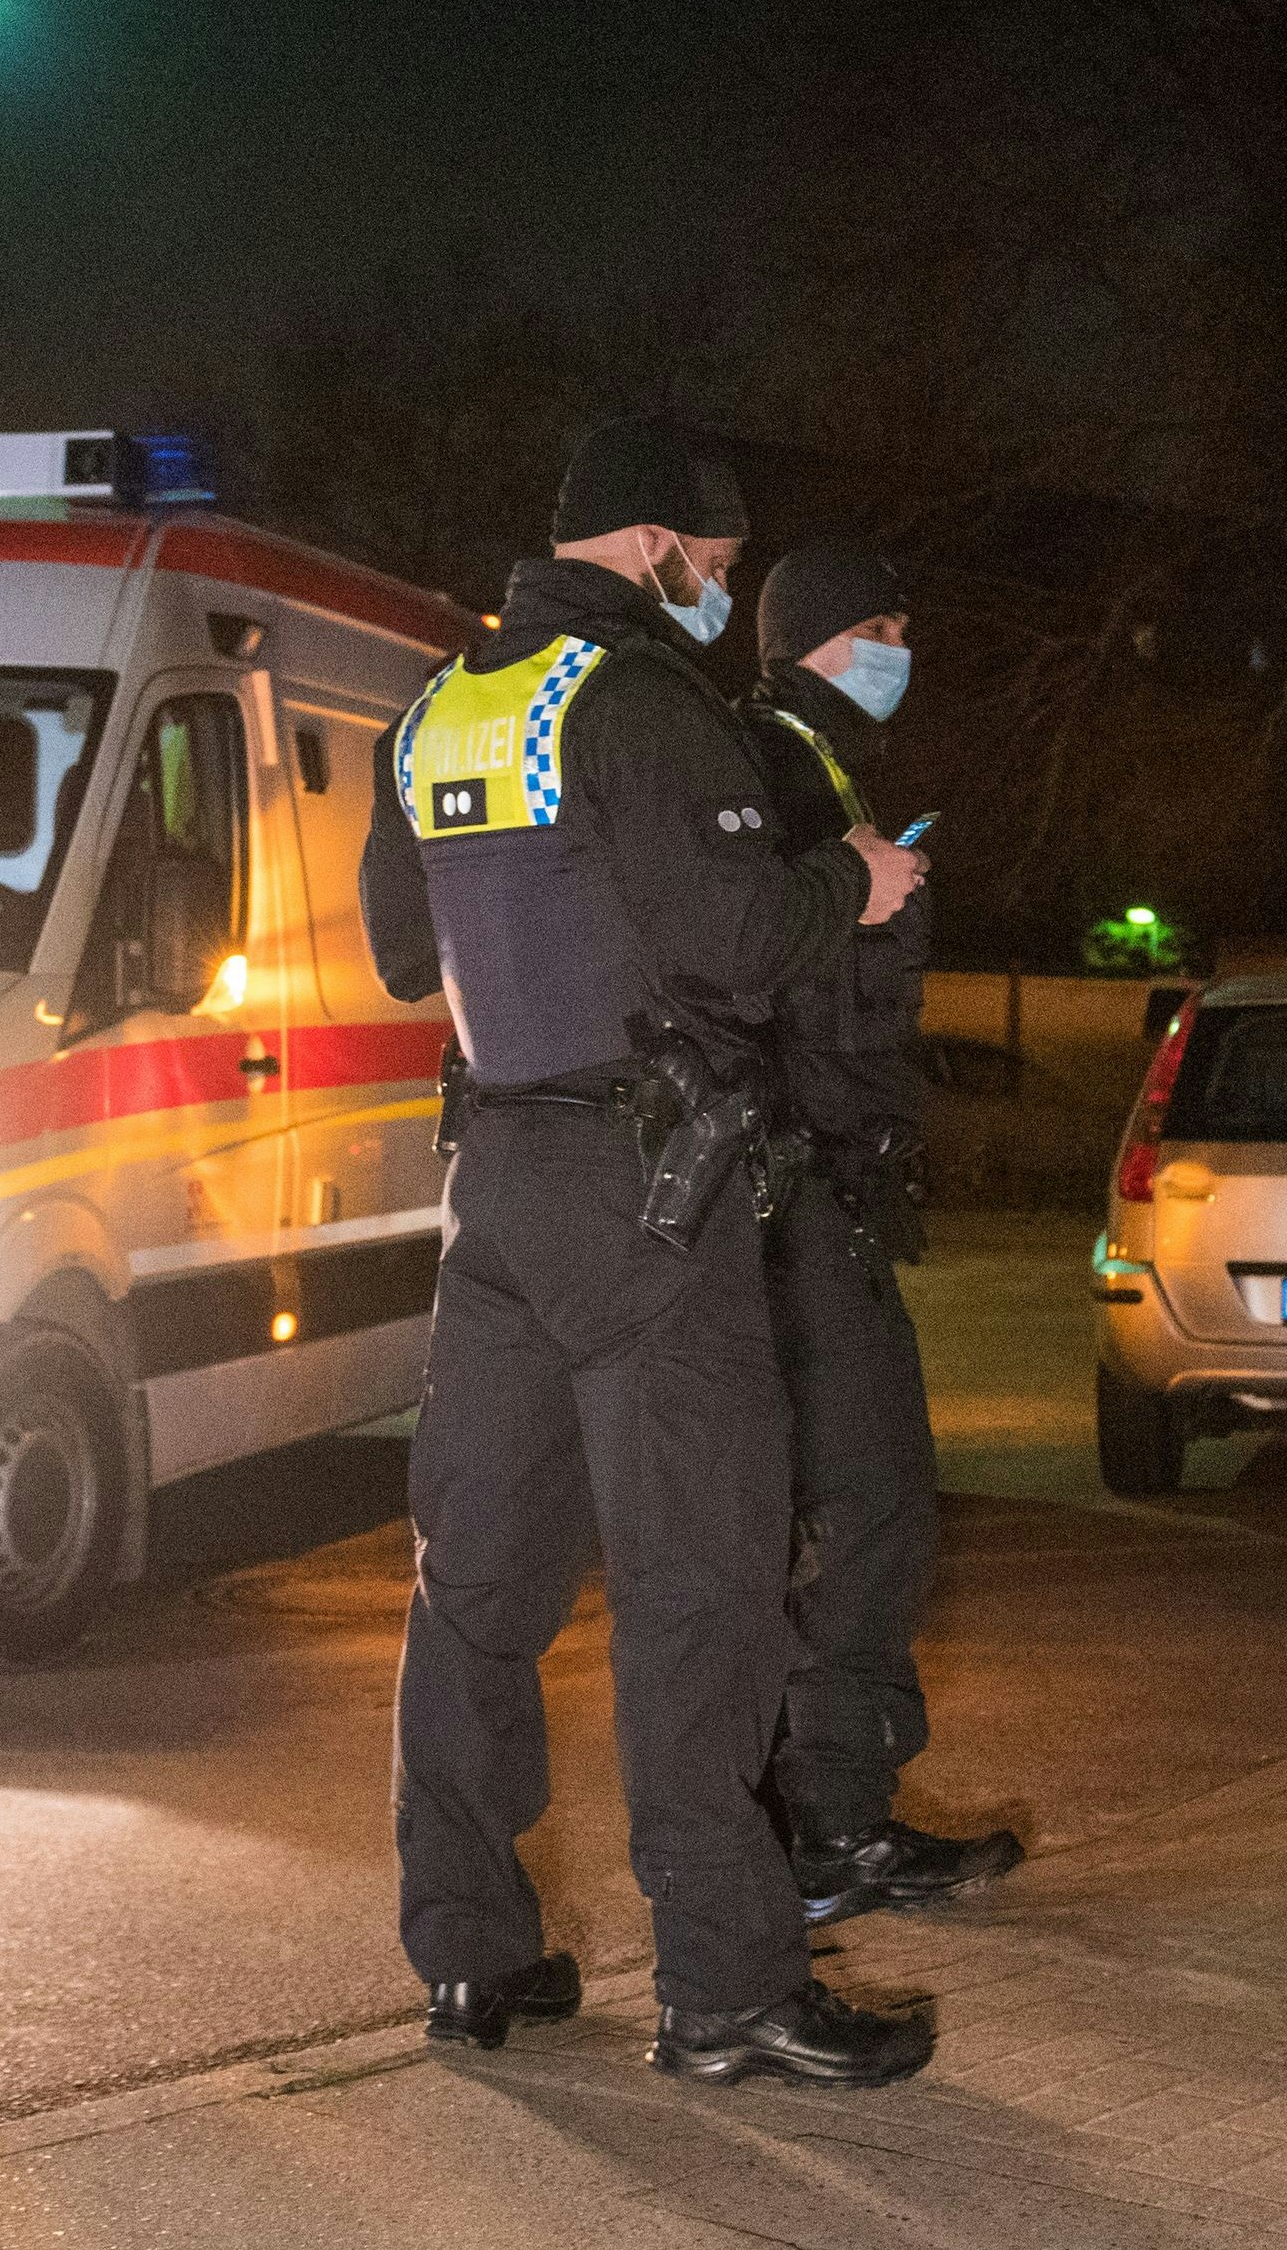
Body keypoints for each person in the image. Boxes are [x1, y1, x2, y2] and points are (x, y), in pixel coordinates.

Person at [361, 416, 934, 2088]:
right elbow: (743, 942)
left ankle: (470, 1958)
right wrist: (856, 882)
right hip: (652, 1194)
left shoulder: (442, 705)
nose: (724, 589)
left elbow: (408, 953)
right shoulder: (639, 702)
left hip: (499, 1199)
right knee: (699, 1591)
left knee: (474, 1590)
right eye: (721, 564)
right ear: (654, 545)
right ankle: (731, 1989)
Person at [732, 538, 1026, 1926]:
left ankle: (835, 1813)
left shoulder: (819, 763)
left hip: (821, 1182)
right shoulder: (783, 763)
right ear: (821, 637)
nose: (902, 649)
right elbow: (781, 980)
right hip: (800, 1189)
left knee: (862, 1507)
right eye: (884, 626)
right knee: (867, 1506)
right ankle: (826, 1830)